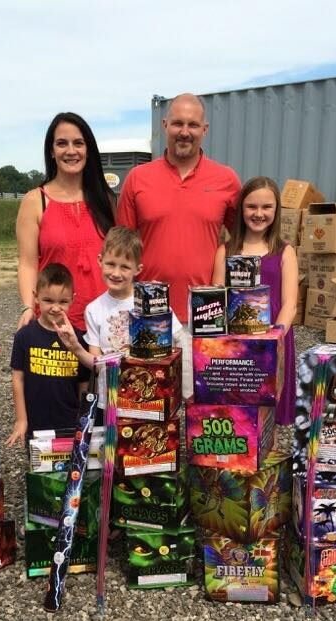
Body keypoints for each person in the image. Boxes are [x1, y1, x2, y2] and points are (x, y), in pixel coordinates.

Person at [116, 93, 240, 397]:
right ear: (164, 125)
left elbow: (239, 244)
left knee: (202, 405)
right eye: (178, 123)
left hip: (205, 315)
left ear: (204, 129)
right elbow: (120, 247)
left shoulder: (227, 180)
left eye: (193, 124)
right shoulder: (138, 178)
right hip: (148, 314)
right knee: (150, 405)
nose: (185, 131)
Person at [53, 225, 182, 408]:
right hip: (111, 401)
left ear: (138, 269)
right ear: (100, 260)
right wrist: (75, 348)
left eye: (125, 267)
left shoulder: (153, 300)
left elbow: (177, 342)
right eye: (111, 264)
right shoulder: (93, 310)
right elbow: (96, 364)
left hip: (150, 398)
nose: (116, 273)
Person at [16, 112, 115, 332]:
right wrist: (27, 306)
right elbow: (28, 263)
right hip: (55, 323)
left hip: (102, 324)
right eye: (62, 143)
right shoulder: (35, 201)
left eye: (78, 143)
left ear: (88, 149)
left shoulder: (106, 200)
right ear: (51, 151)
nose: (71, 151)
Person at [213, 176, 298, 425]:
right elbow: (217, 298)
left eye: (266, 207)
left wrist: (275, 338)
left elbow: (290, 303)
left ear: (276, 210)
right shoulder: (225, 251)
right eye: (252, 206)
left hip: (273, 336)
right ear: (241, 210)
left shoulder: (285, 251)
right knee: (237, 410)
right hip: (235, 339)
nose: (258, 213)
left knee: (269, 409)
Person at [7, 263, 91, 445]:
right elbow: (17, 379)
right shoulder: (24, 336)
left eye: (62, 302)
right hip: (36, 423)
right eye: (48, 300)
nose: (55, 308)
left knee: (69, 472)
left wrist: (83, 420)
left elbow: (84, 385)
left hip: (70, 423)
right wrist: (21, 420)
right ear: (36, 297)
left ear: (72, 300)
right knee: (39, 470)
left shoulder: (78, 339)